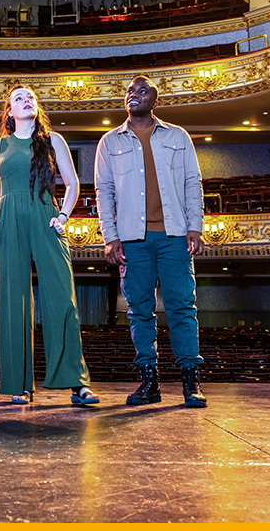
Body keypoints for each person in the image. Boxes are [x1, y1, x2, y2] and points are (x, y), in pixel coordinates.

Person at [94, 75, 207, 407]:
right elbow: (104, 193)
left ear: (154, 101)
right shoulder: (109, 142)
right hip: (132, 240)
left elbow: (191, 182)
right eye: (129, 90)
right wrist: (110, 238)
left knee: (182, 307)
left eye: (142, 91)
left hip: (174, 235)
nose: (134, 94)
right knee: (139, 311)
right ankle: (149, 382)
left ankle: (190, 381)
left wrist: (195, 227)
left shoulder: (178, 136)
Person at [0, 85, 97, 405]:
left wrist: (63, 216)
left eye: (30, 96)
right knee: (14, 300)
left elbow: (72, 184)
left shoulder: (53, 140)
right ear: (9, 112)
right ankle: (20, 383)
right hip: (9, 217)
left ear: (37, 107)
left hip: (46, 214)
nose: (26, 100)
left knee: (62, 297)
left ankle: (77, 383)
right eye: (18, 98)